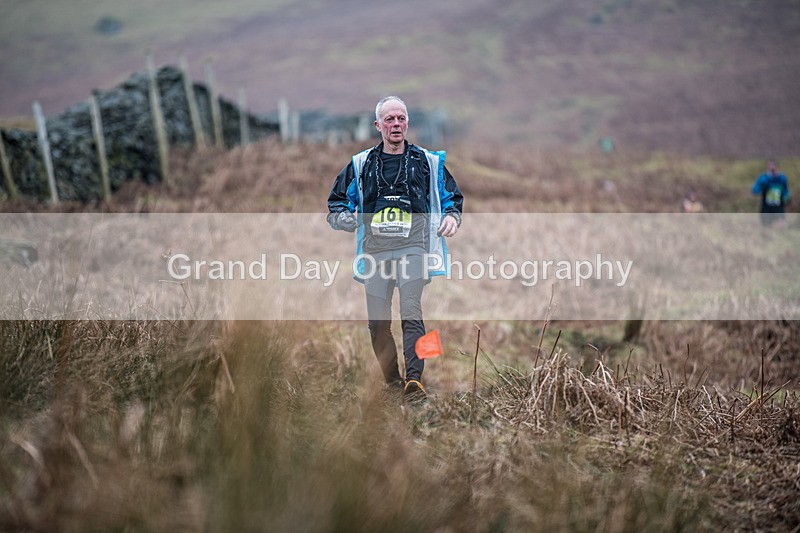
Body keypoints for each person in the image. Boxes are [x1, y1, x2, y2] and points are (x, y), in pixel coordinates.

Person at [327, 96, 463, 401]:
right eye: (389, 119)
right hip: (375, 253)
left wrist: (452, 217)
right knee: (377, 324)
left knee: (411, 311)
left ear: (407, 123)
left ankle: (414, 382)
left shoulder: (428, 162)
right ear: (378, 125)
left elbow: (451, 197)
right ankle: (392, 384)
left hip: (414, 248)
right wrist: (344, 218)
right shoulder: (361, 164)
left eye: (401, 118)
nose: (396, 124)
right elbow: (336, 203)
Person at [752, 159, 791, 227]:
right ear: (768, 167)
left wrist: (787, 196)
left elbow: (786, 189)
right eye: (770, 165)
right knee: (767, 226)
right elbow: (755, 190)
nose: (772, 167)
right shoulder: (763, 178)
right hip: (766, 206)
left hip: (778, 205)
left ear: (777, 167)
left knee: (781, 225)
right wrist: (761, 187)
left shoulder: (782, 178)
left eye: (773, 165)